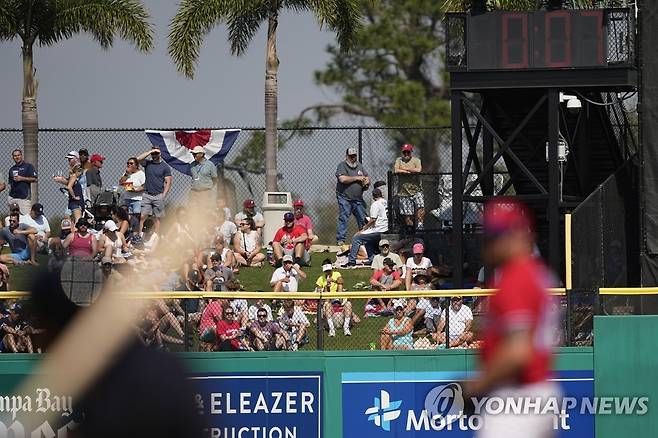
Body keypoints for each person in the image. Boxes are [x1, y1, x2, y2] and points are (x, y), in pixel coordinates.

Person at [463, 198, 559, 438]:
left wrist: (476, 385)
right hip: (537, 392)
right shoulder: (537, 274)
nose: (489, 242)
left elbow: (518, 351)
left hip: (517, 398)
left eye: (496, 234)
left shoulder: (516, 278)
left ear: (518, 234)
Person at [335, 147, 370, 246]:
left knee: (363, 218)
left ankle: (364, 238)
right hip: (344, 197)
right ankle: (341, 240)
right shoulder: (342, 166)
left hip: (358, 199)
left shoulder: (359, 165)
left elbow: (367, 176)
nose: (353, 158)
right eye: (351, 156)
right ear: (347, 156)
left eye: (354, 156)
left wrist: (367, 181)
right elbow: (342, 179)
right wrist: (357, 178)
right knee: (344, 218)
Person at [345, 188, 388, 267]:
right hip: (386, 228)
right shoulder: (385, 202)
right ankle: (372, 259)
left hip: (379, 230)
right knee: (367, 241)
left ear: (373, 197)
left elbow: (373, 220)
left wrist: (364, 228)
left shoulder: (375, 204)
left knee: (357, 237)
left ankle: (351, 261)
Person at [137, 145, 173, 234]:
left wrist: (164, 195)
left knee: (157, 218)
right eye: (153, 153)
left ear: (160, 154)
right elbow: (138, 159)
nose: (154, 155)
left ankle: (156, 237)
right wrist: (150, 152)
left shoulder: (165, 167)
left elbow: (168, 182)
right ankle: (140, 236)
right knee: (143, 216)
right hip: (147, 194)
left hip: (158, 195)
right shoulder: (147, 164)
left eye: (156, 153)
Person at [394, 143, 425, 232]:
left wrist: (405, 170)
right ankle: (410, 230)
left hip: (416, 190)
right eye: (405, 152)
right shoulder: (399, 160)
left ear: (411, 152)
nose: (406, 154)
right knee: (408, 215)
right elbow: (396, 170)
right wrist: (410, 171)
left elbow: (418, 169)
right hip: (404, 192)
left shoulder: (416, 160)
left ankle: (420, 225)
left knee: (421, 207)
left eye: (408, 152)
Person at [53, 151, 85, 223]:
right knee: (67, 216)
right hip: (74, 197)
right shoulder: (73, 169)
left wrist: (62, 180)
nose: (68, 161)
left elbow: (72, 184)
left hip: (78, 196)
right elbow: (71, 182)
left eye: (70, 159)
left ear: (76, 159)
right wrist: (61, 180)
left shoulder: (78, 169)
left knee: (77, 219)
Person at [7, 149, 37, 215]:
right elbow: (10, 183)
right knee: (13, 217)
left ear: (21, 156)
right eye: (15, 156)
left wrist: (22, 178)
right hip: (12, 197)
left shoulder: (28, 166)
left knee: (26, 218)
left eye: (18, 155)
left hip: (24, 197)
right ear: (13, 157)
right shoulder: (12, 169)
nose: (17, 157)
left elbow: (34, 179)